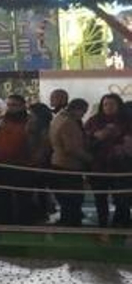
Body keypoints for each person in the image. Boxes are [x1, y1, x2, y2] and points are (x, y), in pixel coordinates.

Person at [0, 94, 35, 225]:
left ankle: (25, 223)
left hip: (23, 166)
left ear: (23, 106)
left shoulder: (32, 122)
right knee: (2, 197)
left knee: (24, 198)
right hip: (1, 166)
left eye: (14, 105)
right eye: (9, 105)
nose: (11, 108)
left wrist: (34, 162)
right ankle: (4, 221)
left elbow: (41, 143)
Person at [85, 94, 131, 227]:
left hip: (122, 167)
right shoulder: (93, 121)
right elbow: (86, 142)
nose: (108, 107)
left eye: (112, 104)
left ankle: (122, 224)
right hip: (99, 167)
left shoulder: (128, 120)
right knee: (100, 198)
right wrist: (99, 136)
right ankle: (102, 224)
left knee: (122, 199)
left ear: (119, 105)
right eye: (105, 104)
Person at [49, 99, 92, 227]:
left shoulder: (58, 118)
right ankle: (71, 222)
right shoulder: (69, 122)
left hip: (57, 161)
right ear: (77, 109)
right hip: (69, 164)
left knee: (65, 197)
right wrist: (90, 159)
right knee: (73, 197)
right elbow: (72, 148)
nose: (83, 115)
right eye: (83, 112)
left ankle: (67, 219)